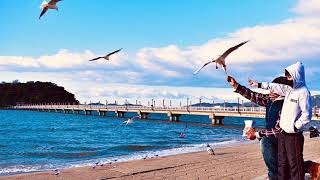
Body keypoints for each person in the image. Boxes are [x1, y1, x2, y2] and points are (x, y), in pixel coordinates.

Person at [227, 74, 320, 180]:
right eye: (270, 88)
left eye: (273, 88)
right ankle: (311, 167)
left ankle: (277, 176)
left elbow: (279, 129)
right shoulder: (270, 99)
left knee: (283, 161)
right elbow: (253, 95)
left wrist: (257, 134)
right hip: (274, 137)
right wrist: (236, 86)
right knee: (286, 165)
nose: (270, 91)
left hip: (285, 138)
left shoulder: (287, 104)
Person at [248, 62, 312, 180]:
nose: (288, 79)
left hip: (293, 134)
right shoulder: (287, 90)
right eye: (287, 76)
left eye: (289, 76)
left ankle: (309, 167)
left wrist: (294, 126)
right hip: (283, 133)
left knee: (294, 164)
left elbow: (307, 115)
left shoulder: (303, 92)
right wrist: (257, 84)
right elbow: (273, 87)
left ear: (297, 75)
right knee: (282, 163)